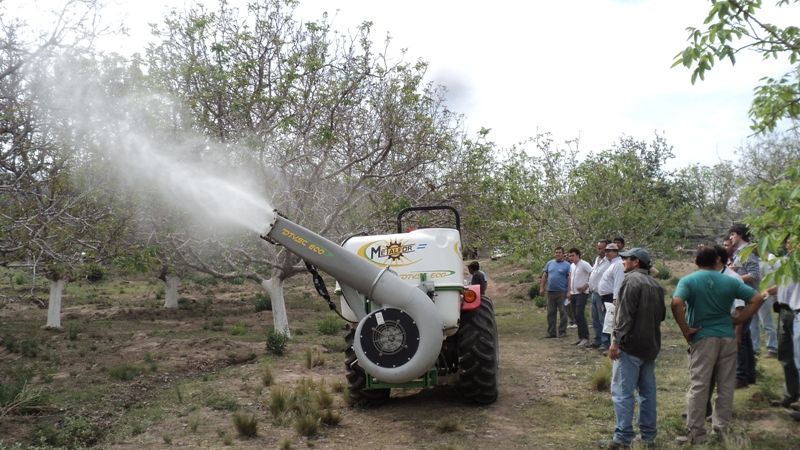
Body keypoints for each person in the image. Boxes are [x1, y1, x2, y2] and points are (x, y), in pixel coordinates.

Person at [671, 246, 765, 444]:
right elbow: (756, 299)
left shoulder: (689, 280)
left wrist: (685, 329)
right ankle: (720, 429)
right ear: (716, 261)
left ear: (696, 261)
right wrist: (739, 320)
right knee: (726, 385)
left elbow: (676, 303)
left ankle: (696, 433)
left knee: (699, 385)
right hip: (727, 336)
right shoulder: (730, 280)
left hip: (703, 337)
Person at [603, 248, 665, 448]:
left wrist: (615, 342)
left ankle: (622, 438)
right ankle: (648, 437)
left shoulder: (630, 281)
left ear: (636, 262)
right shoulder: (655, 285)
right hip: (650, 345)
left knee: (622, 393)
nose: (623, 262)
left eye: (626, 259)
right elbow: (662, 315)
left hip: (630, 346)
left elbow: (624, 315)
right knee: (647, 393)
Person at [729, 223, 760, 388]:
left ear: (740, 234)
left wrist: (734, 277)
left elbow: (755, 274)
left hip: (747, 299)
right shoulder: (740, 253)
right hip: (744, 298)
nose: (731, 238)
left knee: (739, 335)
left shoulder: (747, 252)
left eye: (733, 234)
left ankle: (741, 376)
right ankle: (749, 375)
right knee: (746, 336)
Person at [598, 243, 624, 351]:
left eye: (610, 251)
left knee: (611, 322)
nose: (607, 253)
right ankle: (608, 344)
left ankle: (612, 345)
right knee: (606, 321)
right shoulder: (611, 264)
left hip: (611, 297)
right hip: (605, 296)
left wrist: (615, 298)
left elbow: (618, 282)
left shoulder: (618, 264)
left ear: (616, 252)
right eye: (606, 251)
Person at [540, 246, 571, 338]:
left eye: (559, 252)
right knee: (550, 313)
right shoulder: (549, 263)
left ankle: (562, 332)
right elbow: (545, 276)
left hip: (562, 292)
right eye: (556, 252)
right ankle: (551, 332)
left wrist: (569, 291)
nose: (558, 254)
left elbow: (570, 279)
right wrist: (542, 288)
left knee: (563, 313)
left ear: (563, 254)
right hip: (551, 292)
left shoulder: (567, 265)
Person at [751, 254, 778, 357]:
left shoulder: (766, 261)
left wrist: (767, 293)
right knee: (753, 323)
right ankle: (755, 348)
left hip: (763, 295)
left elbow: (770, 280)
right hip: (752, 295)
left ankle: (772, 348)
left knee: (766, 322)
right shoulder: (753, 262)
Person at [567, 247, 593, 347]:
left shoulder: (584, 264)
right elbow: (570, 278)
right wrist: (569, 291)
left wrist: (586, 285)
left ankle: (585, 338)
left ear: (578, 255)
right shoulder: (572, 266)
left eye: (573, 255)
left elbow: (593, 274)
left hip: (582, 293)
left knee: (579, 314)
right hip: (573, 293)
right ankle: (580, 337)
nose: (571, 257)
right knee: (575, 315)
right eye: (569, 256)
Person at [589, 240, 611, 349]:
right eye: (598, 248)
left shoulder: (609, 262)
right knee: (595, 318)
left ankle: (605, 342)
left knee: (603, 319)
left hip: (603, 294)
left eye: (603, 248)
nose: (600, 251)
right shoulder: (597, 260)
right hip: (594, 293)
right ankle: (597, 339)